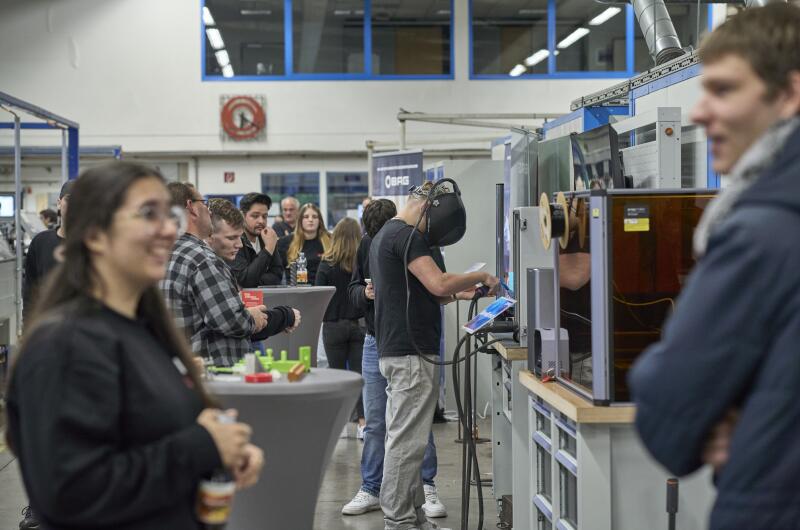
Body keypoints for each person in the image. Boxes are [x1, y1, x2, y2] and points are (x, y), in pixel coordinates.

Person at [5, 161, 264, 529]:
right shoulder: (65, 345)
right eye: (147, 214)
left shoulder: (144, 330)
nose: (167, 229)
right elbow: (70, 493)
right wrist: (203, 445)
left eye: (168, 214)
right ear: (94, 234)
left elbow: (146, 437)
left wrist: (219, 454)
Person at [629, 5, 800, 529]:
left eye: (723, 90)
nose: (700, 112)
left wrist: (734, 411)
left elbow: (668, 415)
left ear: (789, 95)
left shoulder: (759, 235)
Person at [370, 182, 499, 530]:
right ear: (427, 207)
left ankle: (411, 515)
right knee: (407, 442)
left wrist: (465, 291)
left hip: (401, 350)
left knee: (407, 438)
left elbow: (435, 293)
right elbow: (439, 283)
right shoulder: (407, 236)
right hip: (410, 354)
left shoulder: (387, 235)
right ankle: (398, 520)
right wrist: (481, 276)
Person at [342, 199, 446, 519]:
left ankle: (423, 486)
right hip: (380, 342)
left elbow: (438, 283)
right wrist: (366, 294)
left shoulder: (417, 240)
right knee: (381, 423)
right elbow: (353, 290)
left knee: (412, 424)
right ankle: (377, 492)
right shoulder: (370, 244)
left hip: (406, 343)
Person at [161, 184, 297, 367]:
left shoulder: (164, 253)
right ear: (191, 207)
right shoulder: (202, 260)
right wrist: (254, 317)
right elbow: (231, 321)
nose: (207, 210)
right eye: (204, 203)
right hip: (215, 373)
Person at [315, 218, 365, 435]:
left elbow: (319, 295)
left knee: (336, 376)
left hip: (333, 326)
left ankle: (340, 425)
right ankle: (363, 422)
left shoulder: (326, 263)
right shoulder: (361, 263)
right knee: (358, 376)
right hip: (359, 326)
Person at [23, 181, 73, 321]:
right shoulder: (40, 243)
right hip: (47, 327)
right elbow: (30, 292)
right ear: (59, 203)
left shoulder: (96, 246)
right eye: (69, 199)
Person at [231, 192, 283, 287]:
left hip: (268, 298)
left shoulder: (267, 237)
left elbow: (277, 276)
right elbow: (245, 280)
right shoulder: (235, 240)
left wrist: (256, 280)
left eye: (264, 216)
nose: (261, 221)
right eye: (255, 216)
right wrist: (268, 250)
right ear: (242, 215)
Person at [277, 202, 331, 284]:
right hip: (295, 293)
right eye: (306, 217)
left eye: (314, 217)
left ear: (319, 220)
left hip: (324, 292)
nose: (310, 220)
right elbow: (276, 272)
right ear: (300, 221)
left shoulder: (330, 241)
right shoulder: (285, 242)